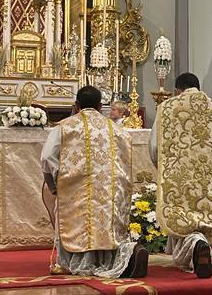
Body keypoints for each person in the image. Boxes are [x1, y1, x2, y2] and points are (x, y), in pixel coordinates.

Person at [40, 85, 147, 279]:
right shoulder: (117, 130)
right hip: (108, 192)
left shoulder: (65, 127)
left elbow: (47, 157)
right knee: (104, 222)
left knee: (77, 220)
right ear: (100, 106)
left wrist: (56, 184)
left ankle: (73, 262)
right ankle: (119, 258)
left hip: (75, 191)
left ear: (77, 105)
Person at [149, 72, 212, 278]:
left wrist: (165, 168)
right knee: (206, 211)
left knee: (184, 214)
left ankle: (194, 246)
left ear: (178, 90)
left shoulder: (168, 108)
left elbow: (155, 148)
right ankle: (204, 247)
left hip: (181, 177)